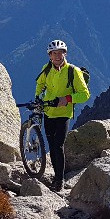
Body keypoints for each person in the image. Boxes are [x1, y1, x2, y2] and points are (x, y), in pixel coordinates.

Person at [34, 38, 90, 191]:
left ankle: (59, 180)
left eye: (61, 53)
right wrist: (38, 97)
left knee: (58, 146)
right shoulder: (46, 69)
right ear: (50, 55)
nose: (58, 56)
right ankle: (57, 176)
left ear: (65, 54)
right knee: (52, 145)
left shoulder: (73, 71)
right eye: (54, 53)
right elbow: (40, 84)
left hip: (64, 114)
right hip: (48, 112)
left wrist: (68, 99)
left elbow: (85, 94)